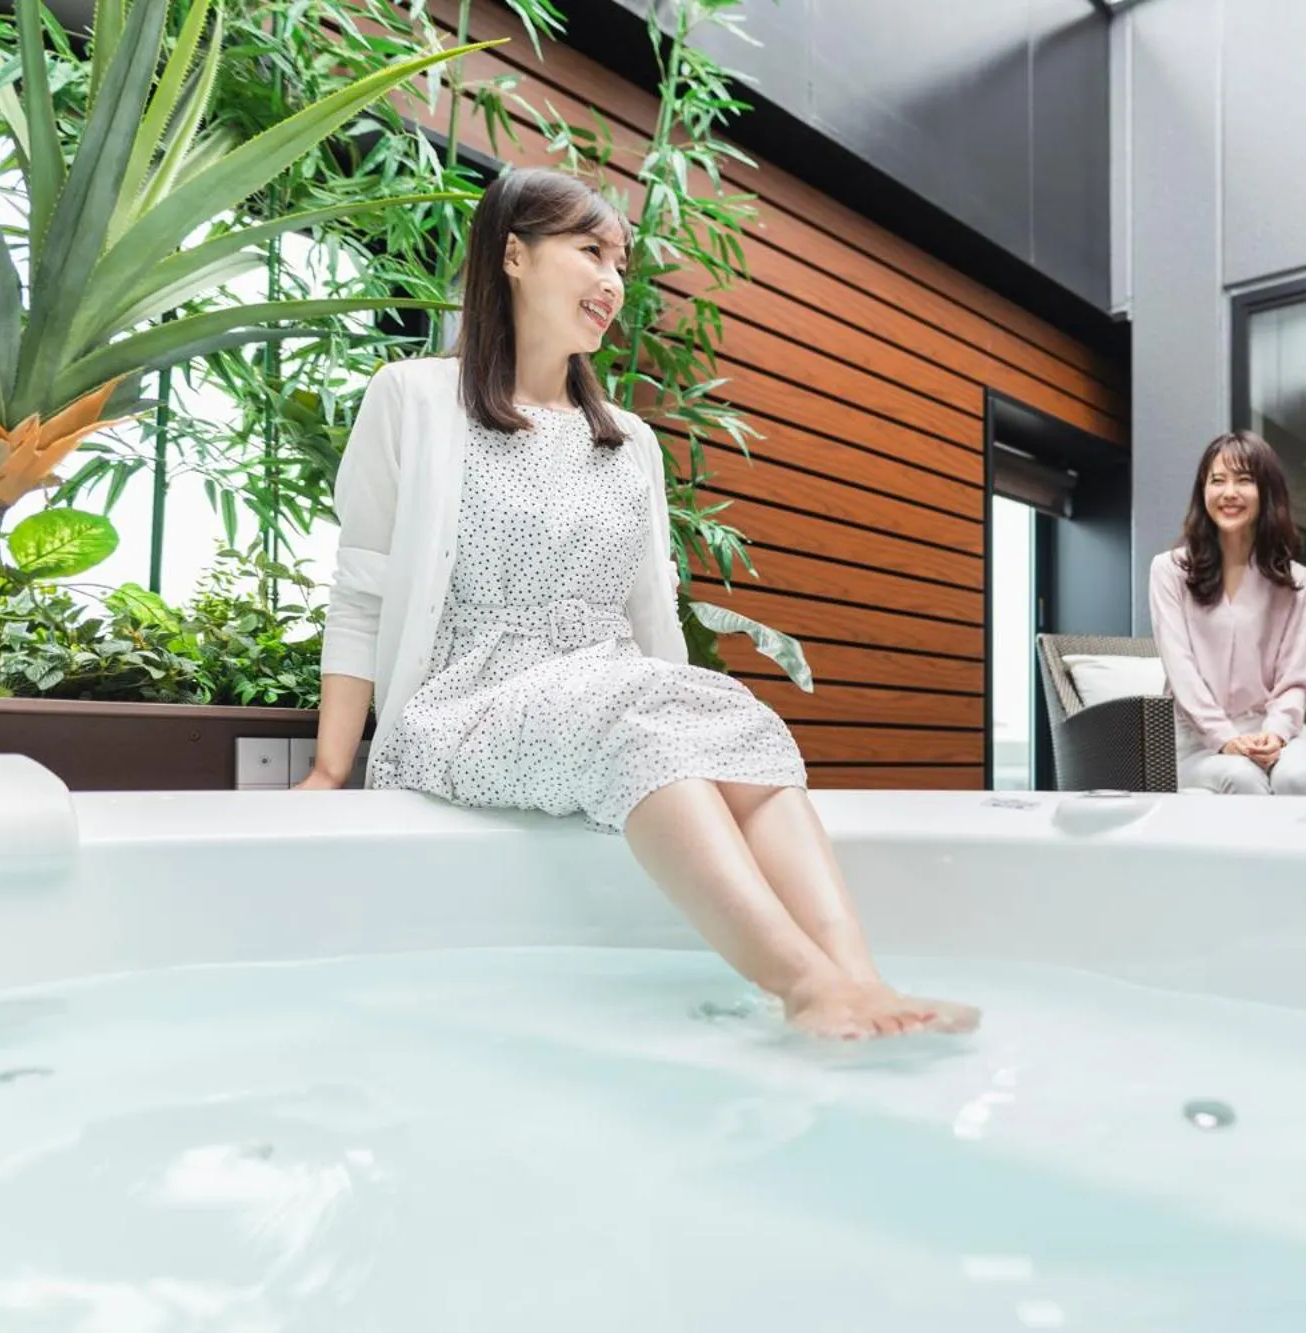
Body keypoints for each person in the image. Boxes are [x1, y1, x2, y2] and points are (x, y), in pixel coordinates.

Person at [296, 167, 976, 1042]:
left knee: (743, 724)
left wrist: (697, 707)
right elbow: (362, 590)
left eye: (621, 263)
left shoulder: (630, 440)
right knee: (641, 725)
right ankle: (804, 985)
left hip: (605, 690)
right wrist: (327, 767)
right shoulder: (415, 398)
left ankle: (862, 978)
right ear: (512, 254)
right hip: (466, 703)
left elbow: (653, 621)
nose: (614, 282)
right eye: (591, 253)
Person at [1149, 430, 1306, 797]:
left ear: (1266, 493)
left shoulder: (1295, 581)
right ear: (1203, 491)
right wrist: (1225, 739)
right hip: (1194, 741)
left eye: (1244, 480)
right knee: (1243, 777)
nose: (1229, 492)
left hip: (1275, 730)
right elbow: (1181, 672)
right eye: (1218, 480)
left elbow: (1295, 679)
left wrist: (1276, 733)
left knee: (1296, 779)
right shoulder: (1169, 571)